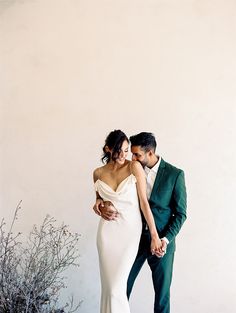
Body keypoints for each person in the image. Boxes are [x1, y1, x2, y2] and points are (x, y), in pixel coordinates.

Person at [94, 132, 187, 313]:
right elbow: (107, 194)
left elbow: (181, 214)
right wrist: (99, 203)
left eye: (136, 154)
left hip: (161, 241)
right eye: (131, 153)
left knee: (162, 296)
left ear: (150, 153)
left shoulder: (175, 175)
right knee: (120, 288)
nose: (131, 157)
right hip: (132, 239)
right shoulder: (129, 168)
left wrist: (163, 239)